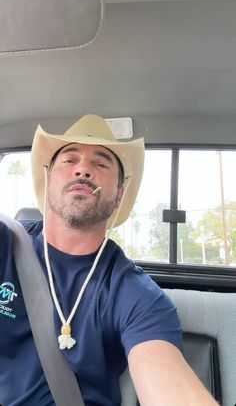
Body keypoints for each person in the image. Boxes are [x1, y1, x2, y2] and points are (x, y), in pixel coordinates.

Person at [0, 114, 218, 406]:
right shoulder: (7, 243)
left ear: (119, 194)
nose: (83, 170)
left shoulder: (137, 294)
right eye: (69, 160)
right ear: (48, 178)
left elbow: (165, 376)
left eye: (101, 164)